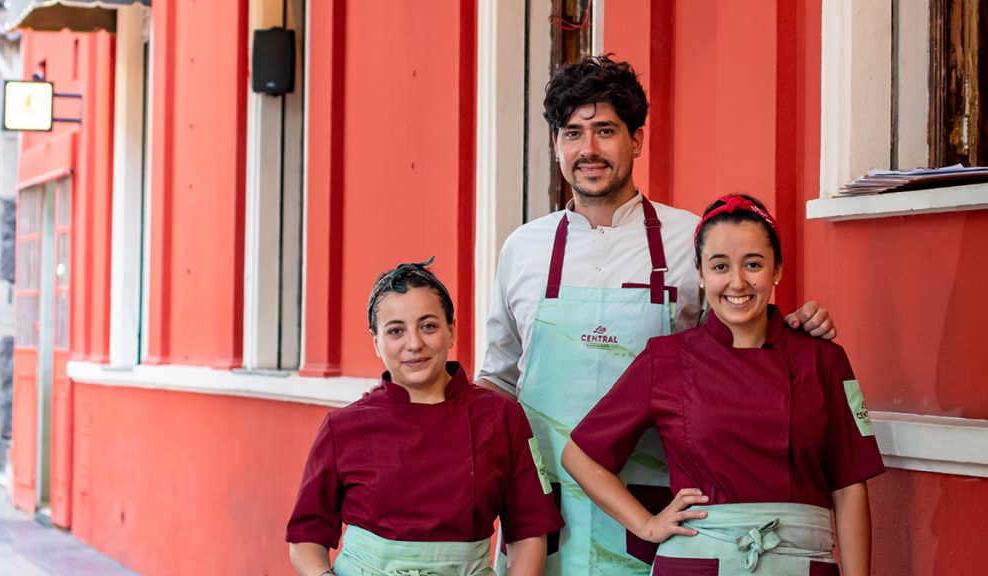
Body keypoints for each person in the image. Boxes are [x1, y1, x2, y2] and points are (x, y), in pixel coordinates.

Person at [477, 55, 837, 574]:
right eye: (573, 133)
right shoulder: (522, 248)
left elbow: (739, 337)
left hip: (660, 509)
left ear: (637, 140)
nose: (589, 149)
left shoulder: (688, 238)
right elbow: (498, 380)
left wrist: (798, 327)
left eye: (606, 131)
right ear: (556, 145)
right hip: (542, 509)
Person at [563, 194, 884, 575]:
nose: (737, 282)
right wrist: (646, 525)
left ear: (777, 268)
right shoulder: (666, 359)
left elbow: (849, 487)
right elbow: (580, 456)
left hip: (803, 564)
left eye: (753, 264)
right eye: (719, 266)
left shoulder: (823, 359)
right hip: (696, 564)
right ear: (700, 273)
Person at [286, 259, 564, 576]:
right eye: (396, 331)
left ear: (451, 331)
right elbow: (306, 537)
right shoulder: (342, 427)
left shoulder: (502, 418)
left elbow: (529, 533)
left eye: (428, 326)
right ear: (377, 342)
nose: (414, 344)